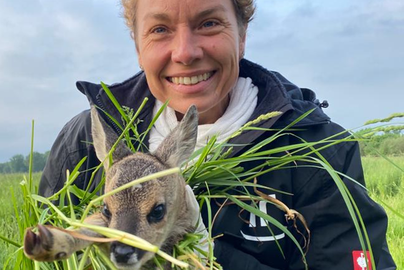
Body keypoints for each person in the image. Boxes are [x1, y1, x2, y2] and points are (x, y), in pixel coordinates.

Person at [38, 0, 396, 269]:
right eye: (160, 29)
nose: (185, 52)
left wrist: (205, 250)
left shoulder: (314, 149)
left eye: (208, 23)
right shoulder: (85, 142)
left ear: (241, 35)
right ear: (137, 44)